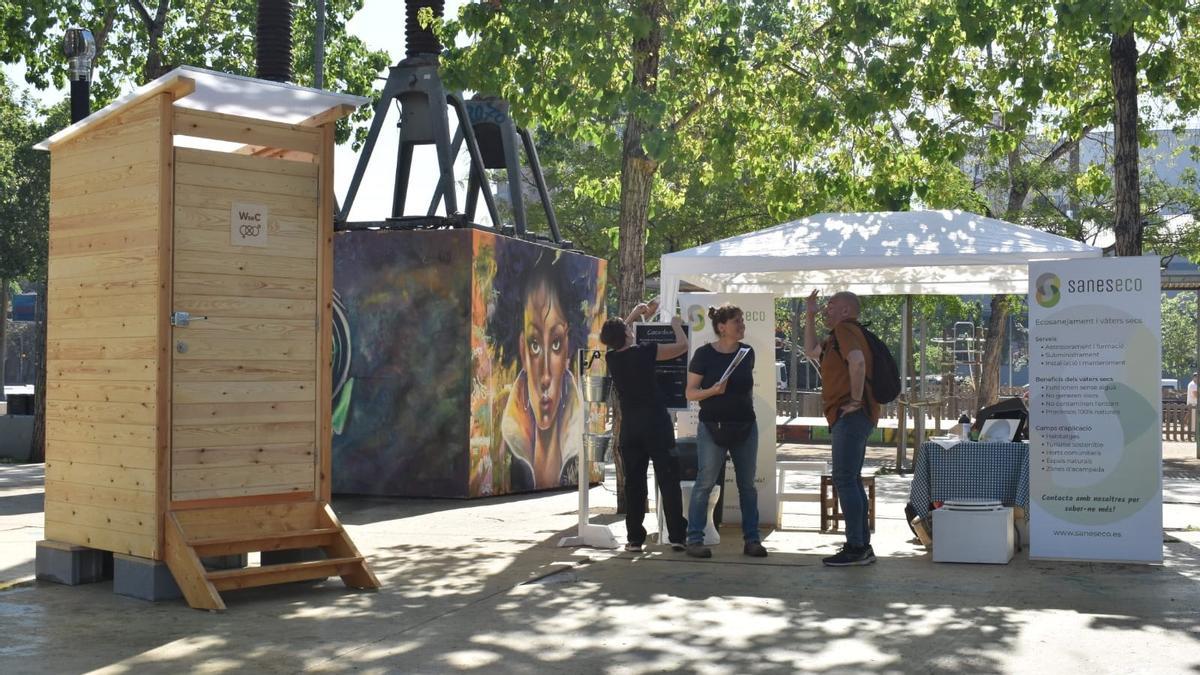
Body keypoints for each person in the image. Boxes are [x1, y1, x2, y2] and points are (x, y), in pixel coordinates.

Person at [491, 248, 596, 491]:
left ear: (569, 345)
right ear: (522, 349)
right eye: (534, 344)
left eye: (556, 343)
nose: (546, 376)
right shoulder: (502, 453)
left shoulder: (583, 445)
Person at [601, 299, 689, 552]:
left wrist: (632, 315)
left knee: (634, 483)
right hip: (656, 424)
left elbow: (615, 339)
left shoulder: (612, 359)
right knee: (668, 478)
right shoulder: (645, 351)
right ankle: (677, 536)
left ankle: (634, 539)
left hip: (630, 428)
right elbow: (681, 346)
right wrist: (676, 325)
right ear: (628, 334)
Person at [683, 304, 768, 558]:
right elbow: (690, 392)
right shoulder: (703, 354)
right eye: (737, 321)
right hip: (712, 426)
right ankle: (694, 540)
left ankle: (752, 540)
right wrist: (712, 391)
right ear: (722, 327)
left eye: (743, 320)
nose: (742, 325)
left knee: (747, 485)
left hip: (744, 425)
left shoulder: (747, 352)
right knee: (705, 482)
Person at [805, 289, 881, 566]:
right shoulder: (837, 336)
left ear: (846, 311)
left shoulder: (846, 330)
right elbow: (811, 351)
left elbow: (858, 361)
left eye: (831, 305)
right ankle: (861, 545)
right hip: (851, 416)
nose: (826, 309)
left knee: (845, 479)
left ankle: (856, 546)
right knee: (851, 479)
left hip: (850, 415)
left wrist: (856, 399)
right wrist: (810, 317)